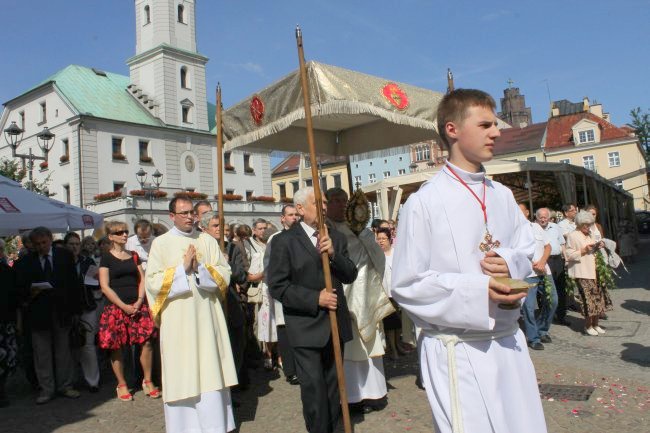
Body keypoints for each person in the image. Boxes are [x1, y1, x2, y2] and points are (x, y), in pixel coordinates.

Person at [391, 89, 545, 433]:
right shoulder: (424, 203)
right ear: (452, 129)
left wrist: (508, 262)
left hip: (509, 343)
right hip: (459, 352)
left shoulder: (503, 195)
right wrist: (480, 289)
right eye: (486, 124)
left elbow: (527, 248)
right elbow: (406, 284)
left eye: (496, 124)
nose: (497, 132)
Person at [268, 187, 358, 433]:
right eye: (318, 202)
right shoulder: (284, 241)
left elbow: (350, 274)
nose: (325, 207)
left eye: (325, 202)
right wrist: (314, 298)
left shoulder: (335, 237)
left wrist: (333, 255)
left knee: (333, 388)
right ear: (299, 209)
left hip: (334, 326)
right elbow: (278, 286)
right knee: (314, 391)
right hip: (306, 328)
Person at [146, 196, 237, 433]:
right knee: (182, 372)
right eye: (183, 213)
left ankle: (215, 427)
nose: (189, 217)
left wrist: (200, 269)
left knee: (210, 371)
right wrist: (181, 269)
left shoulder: (206, 240)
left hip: (207, 320)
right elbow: (152, 283)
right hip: (178, 324)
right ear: (172, 216)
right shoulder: (161, 244)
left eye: (191, 213)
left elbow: (225, 275)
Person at [326, 187, 393, 414]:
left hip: (367, 291)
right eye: (335, 200)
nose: (341, 204)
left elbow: (378, 258)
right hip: (343, 294)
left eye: (344, 200)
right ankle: (353, 396)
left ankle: (375, 394)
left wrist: (363, 234)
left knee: (371, 344)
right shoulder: (325, 229)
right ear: (326, 203)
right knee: (350, 346)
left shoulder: (359, 228)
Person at [15, 227, 82, 405]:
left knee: (63, 351)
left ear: (50, 240)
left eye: (44, 243)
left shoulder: (64, 256)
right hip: (38, 313)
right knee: (42, 354)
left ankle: (65, 385)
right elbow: (20, 289)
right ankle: (46, 389)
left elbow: (73, 285)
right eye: (37, 244)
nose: (41, 247)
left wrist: (76, 311)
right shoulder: (26, 261)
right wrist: (31, 291)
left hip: (62, 311)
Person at [98, 221, 159, 402]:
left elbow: (142, 279)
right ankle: (122, 383)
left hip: (137, 306)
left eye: (125, 231)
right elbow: (104, 286)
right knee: (116, 347)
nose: (124, 235)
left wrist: (139, 301)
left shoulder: (134, 255)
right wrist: (122, 306)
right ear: (111, 237)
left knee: (146, 342)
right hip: (116, 308)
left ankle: (147, 380)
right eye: (119, 232)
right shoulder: (106, 257)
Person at [263, 204, 300, 385]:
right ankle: (291, 370)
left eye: (296, 214)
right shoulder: (275, 239)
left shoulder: (303, 236)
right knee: (285, 330)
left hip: (301, 290)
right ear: (282, 218)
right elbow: (268, 266)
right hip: (283, 291)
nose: (294, 217)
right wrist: (275, 288)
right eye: (290, 215)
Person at [64, 232, 101, 392]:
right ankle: (71, 380)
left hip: (87, 307)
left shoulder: (88, 261)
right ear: (66, 246)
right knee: (70, 346)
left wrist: (92, 279)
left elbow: (95, 285)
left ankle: (93, 381)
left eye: (77, 244)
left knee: (88, 345)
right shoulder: (61, 263)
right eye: (71, 244)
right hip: (67, 309)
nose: (74, 247)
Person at [518, 204, 558, 350]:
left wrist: (542, 262)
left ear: (527, 213)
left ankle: (542, 329)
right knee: (528, 307)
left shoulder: (536, 227)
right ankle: (533, 337)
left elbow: (548, 247)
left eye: (520, 211)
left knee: (552, 301)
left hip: (543, 271)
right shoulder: (513, 231)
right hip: (527, 274)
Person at [565, 211, 608, 336]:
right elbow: (568, 254)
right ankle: (588, 325)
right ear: (579, 223)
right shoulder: (573, 235)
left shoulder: (591, 234)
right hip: (582, 271)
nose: (588, 227)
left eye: (589, 224)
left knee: (598, 298)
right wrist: (583, 250)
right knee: (588, 300)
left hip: (594, 270)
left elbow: (594, 249)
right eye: (585, 224)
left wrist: (598, 245)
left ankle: (596, 324)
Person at [536, 208, 570, 326]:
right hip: (544, 261)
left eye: (545, 217)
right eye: (541, 217)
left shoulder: (555, 227)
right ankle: (545, 315)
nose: (543, 219)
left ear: (549, 218)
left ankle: (561, 316)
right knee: (546, 289)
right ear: (537, 217)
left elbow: (562, 243)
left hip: (558, 260)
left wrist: (565, 258)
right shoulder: (534, 228)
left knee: (561, 288)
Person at [376, 227, 402, 360]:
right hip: (385, 293)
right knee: (390, 323)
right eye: (378, 239)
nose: (381, 242)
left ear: (389, 239)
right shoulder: (376, 255)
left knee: (399, 322)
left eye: (383, 239)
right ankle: (393, 349)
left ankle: (398, 345)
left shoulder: (396, 253)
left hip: (397, 292)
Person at [0, 254, 18, 407]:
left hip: (5, 321)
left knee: (7, 357)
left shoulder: (7, 271)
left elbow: (14, 296)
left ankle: (2, 389)